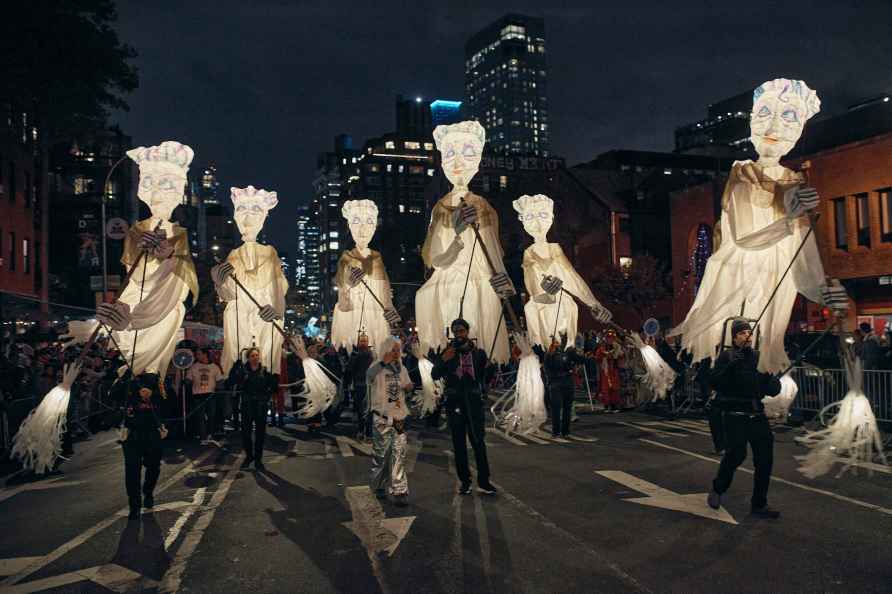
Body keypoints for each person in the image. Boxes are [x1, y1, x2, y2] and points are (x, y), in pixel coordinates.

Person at [707, 319, 782, 519]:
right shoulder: (726, 356)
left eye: (749, 332)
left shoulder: (759, 357)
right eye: (742, 333)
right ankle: (717, 488)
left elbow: (774, 389)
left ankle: (759, 503)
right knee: (735, 455)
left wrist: (769, 379)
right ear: (734, 337)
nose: (746, 336)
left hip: (757, 415)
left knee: (765, 460)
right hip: (735, 416)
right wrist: (730, 367)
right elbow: (714, 382)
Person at [432, 318, 497, 495]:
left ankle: (484, 481)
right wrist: (442, 360)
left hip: (474, 402)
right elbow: (434, 374)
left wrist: (491, 369)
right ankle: (465, 481)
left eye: (461, 331)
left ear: (467, 332)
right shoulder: (448, 351)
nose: (459, 334)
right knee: (458, 443)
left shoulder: (479, 353)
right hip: (455, 403)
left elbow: (486, 377)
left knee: (478, 442)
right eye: (456, 331)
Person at [366, 336, 413, 506]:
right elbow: (369, 377)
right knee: (381, 455)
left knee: (399, 454)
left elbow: (408, 385)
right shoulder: (376, 367)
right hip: (382, 419)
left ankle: (400, 491)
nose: (396, 353)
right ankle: (379, 485)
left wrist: (408, 387)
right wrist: (382, 364)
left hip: (399, 418)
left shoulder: (401, 368)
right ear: (386, 350)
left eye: (398, 350)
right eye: (393, 349)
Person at [120, 373, 168, 520]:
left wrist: (152, 395)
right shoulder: (126, 375)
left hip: (152, 433)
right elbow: (114, 395)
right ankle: (134, 505)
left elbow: (167, 400)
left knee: (153, 467)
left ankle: (148, 492)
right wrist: (127, 383)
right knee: (132, 471)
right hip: (131, 434)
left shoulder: (155, 377)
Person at [230, 347, 278, 470]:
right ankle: (249, 456)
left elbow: (273, 387)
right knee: (246, 433)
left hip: (261, 407)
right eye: (252, 356)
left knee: (260, 434)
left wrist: (267, 395)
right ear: (248, 357)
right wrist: (235, 369)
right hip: (247, 406)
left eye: (257, 355)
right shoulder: (242, 370)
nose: (255, 358)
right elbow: (233, 381)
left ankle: (258, 458)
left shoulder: (265, 370)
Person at [543, 335, 587, 437]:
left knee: (567, 408)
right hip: (555, 383)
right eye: (558, 339)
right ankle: (556, 431)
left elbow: (580, 360)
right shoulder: (550, 353)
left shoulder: (569, 351)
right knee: (556, 408)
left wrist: (581, 351)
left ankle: (565, 431)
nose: (561, 341)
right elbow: (546, 368)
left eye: (563, 339)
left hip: (568, 381)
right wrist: (551, 380)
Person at [185, 348, 224, 444]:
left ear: (205, 354)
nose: (196, 356)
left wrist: (219, 387)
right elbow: (188, 380)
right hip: (198, 395)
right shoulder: (193, 367)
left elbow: (220, 380)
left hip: (210, 395)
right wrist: (185, 380)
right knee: (200, 417)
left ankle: (210, 434)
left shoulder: (214, 367)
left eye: (198, 354)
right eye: (196, 354)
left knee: (211, 416)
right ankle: (203, 437)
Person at [345, 334, 375, 439]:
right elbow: (349, 369)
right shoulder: (355, 354)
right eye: (361, 341)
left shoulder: (372, 354)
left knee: (370, 409)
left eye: (364, 341)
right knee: (360, 409)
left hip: (370, 385)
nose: (363, 343)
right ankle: (361, 429)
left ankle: (369, 432)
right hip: (358, 385)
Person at [595, 330, 623, 412]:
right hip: (606, 371)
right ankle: (607, 405)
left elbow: (621, 356)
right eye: (609, 338)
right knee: (605, 388)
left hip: (614, 370)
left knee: (615, 388)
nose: (610, 339)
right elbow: (597, 357)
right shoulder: (602, 347)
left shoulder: (617, 347)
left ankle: (614, 406)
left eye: (612, 338)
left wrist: (616, 355)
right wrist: (605, 355)